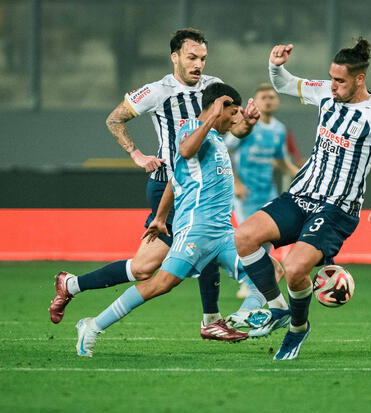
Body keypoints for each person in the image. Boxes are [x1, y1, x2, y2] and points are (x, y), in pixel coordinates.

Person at [48, 28, 262, 340]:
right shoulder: (157, 91)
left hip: (202, 183)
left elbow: (235, 129)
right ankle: (211, 320)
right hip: (168, 185)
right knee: (162, 261)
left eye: (202, 57)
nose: (197, 64)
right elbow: (114, 119)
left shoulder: (215, 87)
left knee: (148, 266)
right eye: (191, 57)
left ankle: (72, 285)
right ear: (175, 57)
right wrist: (136, 154)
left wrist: (249, 124)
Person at [75, 83, 284, 356]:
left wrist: (161, 217)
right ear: (215, 109)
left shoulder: (216, 139)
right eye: (231, 112)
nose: (235, 118)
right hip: (195, 230)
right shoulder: (191, 130)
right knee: (161, 284)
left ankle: (239, 319)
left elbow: (176, 180)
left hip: (222, 233)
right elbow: (185, 150)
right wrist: (210, 117)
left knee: (271, 270)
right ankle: (92, 326)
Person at [234, 38, 371, 360]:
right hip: (300, 195)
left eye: (340, 80)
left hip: (336, 208)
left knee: (296, 268)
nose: (333, 85)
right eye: (331, 77)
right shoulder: (324, 91)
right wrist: (276, 64)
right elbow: (284, 83)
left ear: (360, 79)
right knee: (243, 237)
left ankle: (298, 328)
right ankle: (278, 309)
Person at [224, 84, 299, 299]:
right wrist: (236, 182)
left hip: (268, 192)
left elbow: (280, 160)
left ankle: (256, 280)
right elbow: (227, 150)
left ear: (277, 101)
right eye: (263, 97)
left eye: (271, 97)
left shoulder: (279, 129)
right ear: (255, 102)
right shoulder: (246, 125)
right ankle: (247, 281)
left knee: (266, 241)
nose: (268, 101)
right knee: (248, 238)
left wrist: (300, 175)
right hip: (245, 192)